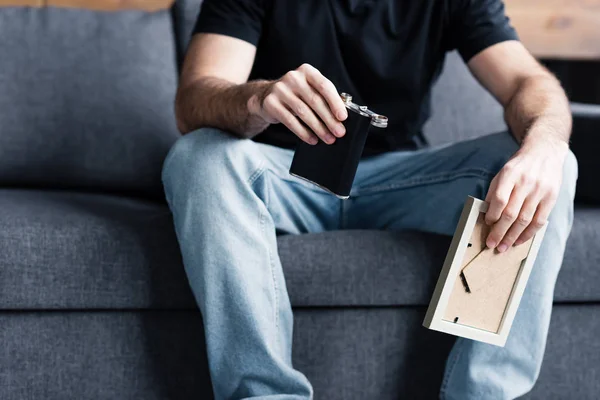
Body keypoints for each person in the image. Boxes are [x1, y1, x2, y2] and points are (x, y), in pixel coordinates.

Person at [161, 0, 577, 399]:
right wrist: (258, 98)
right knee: (198, 158)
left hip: (405, 181)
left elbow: (529, 81)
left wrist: (545, 145)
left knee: (552, 161)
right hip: (281, 176)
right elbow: (195, 98)